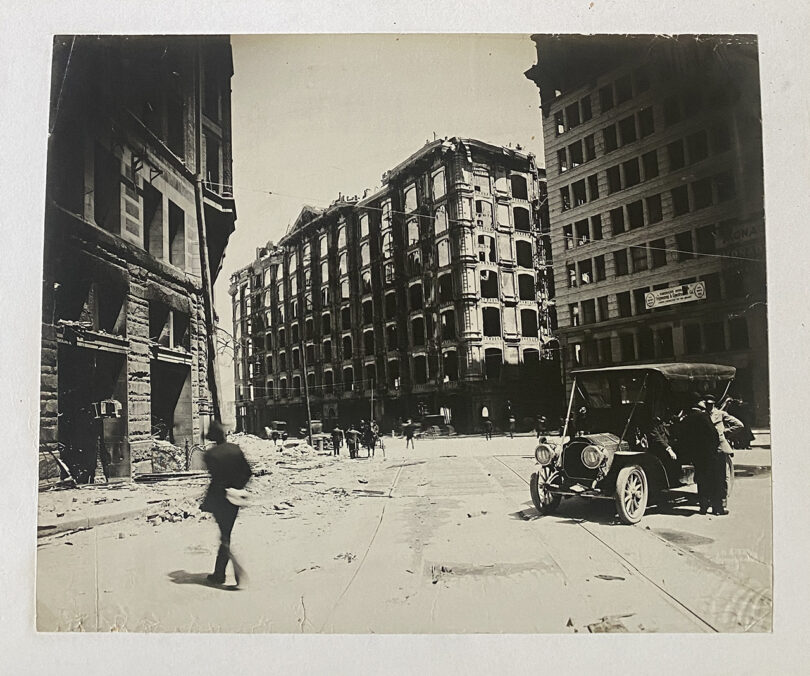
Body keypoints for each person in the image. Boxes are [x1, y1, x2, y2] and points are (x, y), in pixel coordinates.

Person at [200, 421, 252, 587]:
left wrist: (225, 488)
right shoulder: (235, 449)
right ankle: (219, 572)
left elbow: (216, 477)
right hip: (234, 497)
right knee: (226, 532)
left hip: (218, 498)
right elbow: (248, 472)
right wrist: (237, 487)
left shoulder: (210, 455)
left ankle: (222, 573)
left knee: (224, 535)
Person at [673, 399, 721, 515]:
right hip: (709, 453)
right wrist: (714, 448)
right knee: (714, 480)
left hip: (696, 455)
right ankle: (717, 508)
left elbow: (682, 438)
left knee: (701, 480)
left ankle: (703, 507)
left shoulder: (686, 419)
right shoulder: (703, 416)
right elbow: (713, 433)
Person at [704, 394, 744, 515]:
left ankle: (721, 505)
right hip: (708, 450)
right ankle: (712, 504)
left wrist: (725, 432)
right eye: (707, 404)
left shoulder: (720, 414)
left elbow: (739, 425)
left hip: (720, 448)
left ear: (714, 404)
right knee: (711, 478)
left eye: (711, 404)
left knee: (723, 478)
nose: (709, 406)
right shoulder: (703, 415)